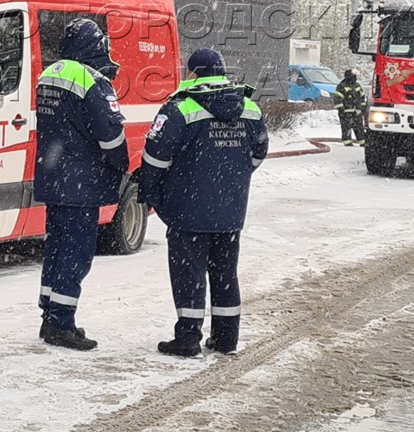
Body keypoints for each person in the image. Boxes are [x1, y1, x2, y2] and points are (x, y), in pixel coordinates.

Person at [139, 47, 269, 357]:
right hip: (230, 211)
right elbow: (259, 151)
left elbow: (155, 159)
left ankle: (187, 338)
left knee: (189, 275)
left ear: (193, 73)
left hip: (188, 211)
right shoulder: (249, 107)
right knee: (226, 275)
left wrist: (154, 195)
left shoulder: (179, 108)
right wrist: (233, 177)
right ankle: (226, 339)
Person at [32, 18, 128, 351]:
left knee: (56, 249)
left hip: (54, 177)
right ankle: (61, 323)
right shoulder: (92, 80)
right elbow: (111, 134)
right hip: (81, 183)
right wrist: (121, 166)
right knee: (76, 254)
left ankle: (49, 314)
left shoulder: (49, 74)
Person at [333, 69, 367, 146]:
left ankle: (363, 142)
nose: (354, 78)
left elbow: (362, 97)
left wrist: (363, 107)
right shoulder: (342, 86)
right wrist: (341, 109)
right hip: (346, 112)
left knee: (359, 128)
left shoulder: (357, 85)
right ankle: (347, 142)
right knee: (346, 128)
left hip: (357, 111)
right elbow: (338, 98)